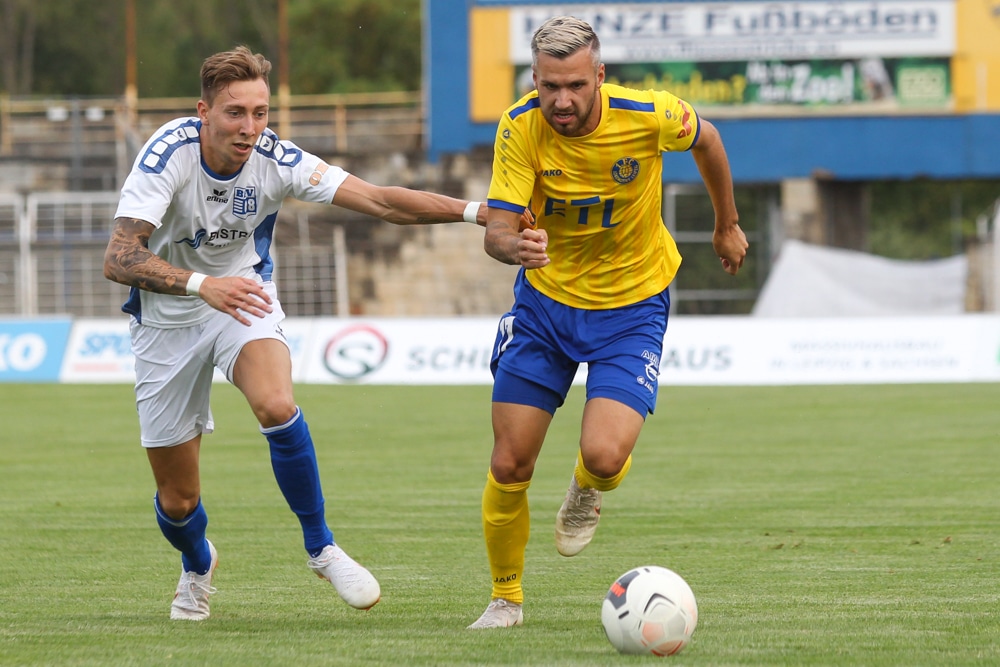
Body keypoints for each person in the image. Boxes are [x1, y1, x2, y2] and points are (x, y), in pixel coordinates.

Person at [103, 45, 491, 622]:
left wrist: (477, 211)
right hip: (166, 322)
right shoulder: (168, 156)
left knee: (277, 404)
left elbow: (380, 201)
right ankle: (197, 563)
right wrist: (201, 286)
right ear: (203, 111)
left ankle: (321, 548)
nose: (250, 128)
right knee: (178, 502)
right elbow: (118, 257)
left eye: (260, 113)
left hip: (242, 298)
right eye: (236, 113)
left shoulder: (278, 159)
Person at [467, 16, 749, 629]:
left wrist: (726, 224)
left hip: (632, 306)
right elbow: (497, 228)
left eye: (575, 85)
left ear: (599, 76)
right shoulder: (519, 127)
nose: (561, 101)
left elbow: (709, 140)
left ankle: (586, 487)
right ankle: (505, 599)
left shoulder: (649, 114)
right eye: (549, 86)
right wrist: (513, 246)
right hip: (545, 307)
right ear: (534, 80)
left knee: (602, 455)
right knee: (510, 463)